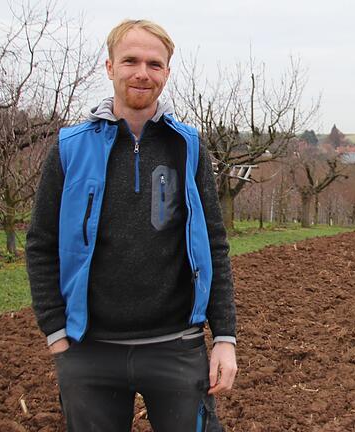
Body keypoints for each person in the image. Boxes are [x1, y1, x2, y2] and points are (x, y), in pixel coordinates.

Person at [26, 19, 236, 431]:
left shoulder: (188, 146)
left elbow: (213, 243)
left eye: (154, 64)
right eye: (131, 61)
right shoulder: (71, 148)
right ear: (110, 68)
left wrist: (225, 338)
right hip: (90, 351)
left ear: (167, 73)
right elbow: (41, 243)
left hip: (176, 346)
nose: (143, 72)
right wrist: (55, 331)